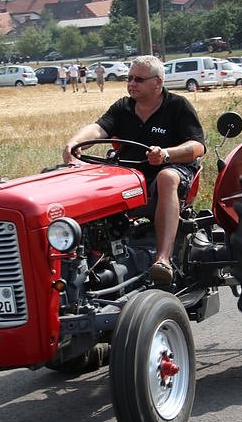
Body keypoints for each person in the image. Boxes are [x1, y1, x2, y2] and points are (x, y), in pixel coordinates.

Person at [63, 55, 206, 285]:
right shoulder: (123, 107)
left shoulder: (177, 106)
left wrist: (166, 154)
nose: (131, 84)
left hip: (171, 174)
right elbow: (99, 129)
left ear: (158, 82)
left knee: (166, 177)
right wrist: (73, 144)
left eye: (138, 79)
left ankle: (163, 259)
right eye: (129, 78)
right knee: (74, 176)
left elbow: (197, 146)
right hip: (129, 177)